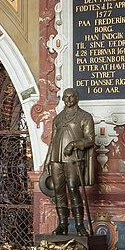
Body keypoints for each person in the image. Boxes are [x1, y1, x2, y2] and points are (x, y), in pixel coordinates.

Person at [45, 88, 96, 235]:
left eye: (71, 97)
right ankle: (63, 224)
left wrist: (73, 144)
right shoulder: (58, 119)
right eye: (65, 97)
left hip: (73, 159)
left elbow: (90, 139)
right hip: (56, 158)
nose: (68, 99)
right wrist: (47, 161)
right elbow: (52, 141)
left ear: (77, 98)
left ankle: (80, 225)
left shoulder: (84, 117)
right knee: (58, 191)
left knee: (73, 189)